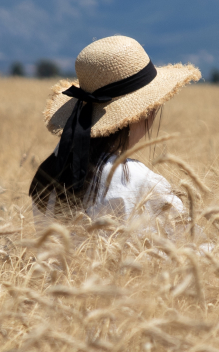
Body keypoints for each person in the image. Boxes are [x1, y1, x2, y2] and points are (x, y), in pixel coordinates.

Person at [29, 35, 199, 219]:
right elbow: (188, 243)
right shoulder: (141, 183)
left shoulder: (52, 171)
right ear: (144, 112)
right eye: (155, 108)